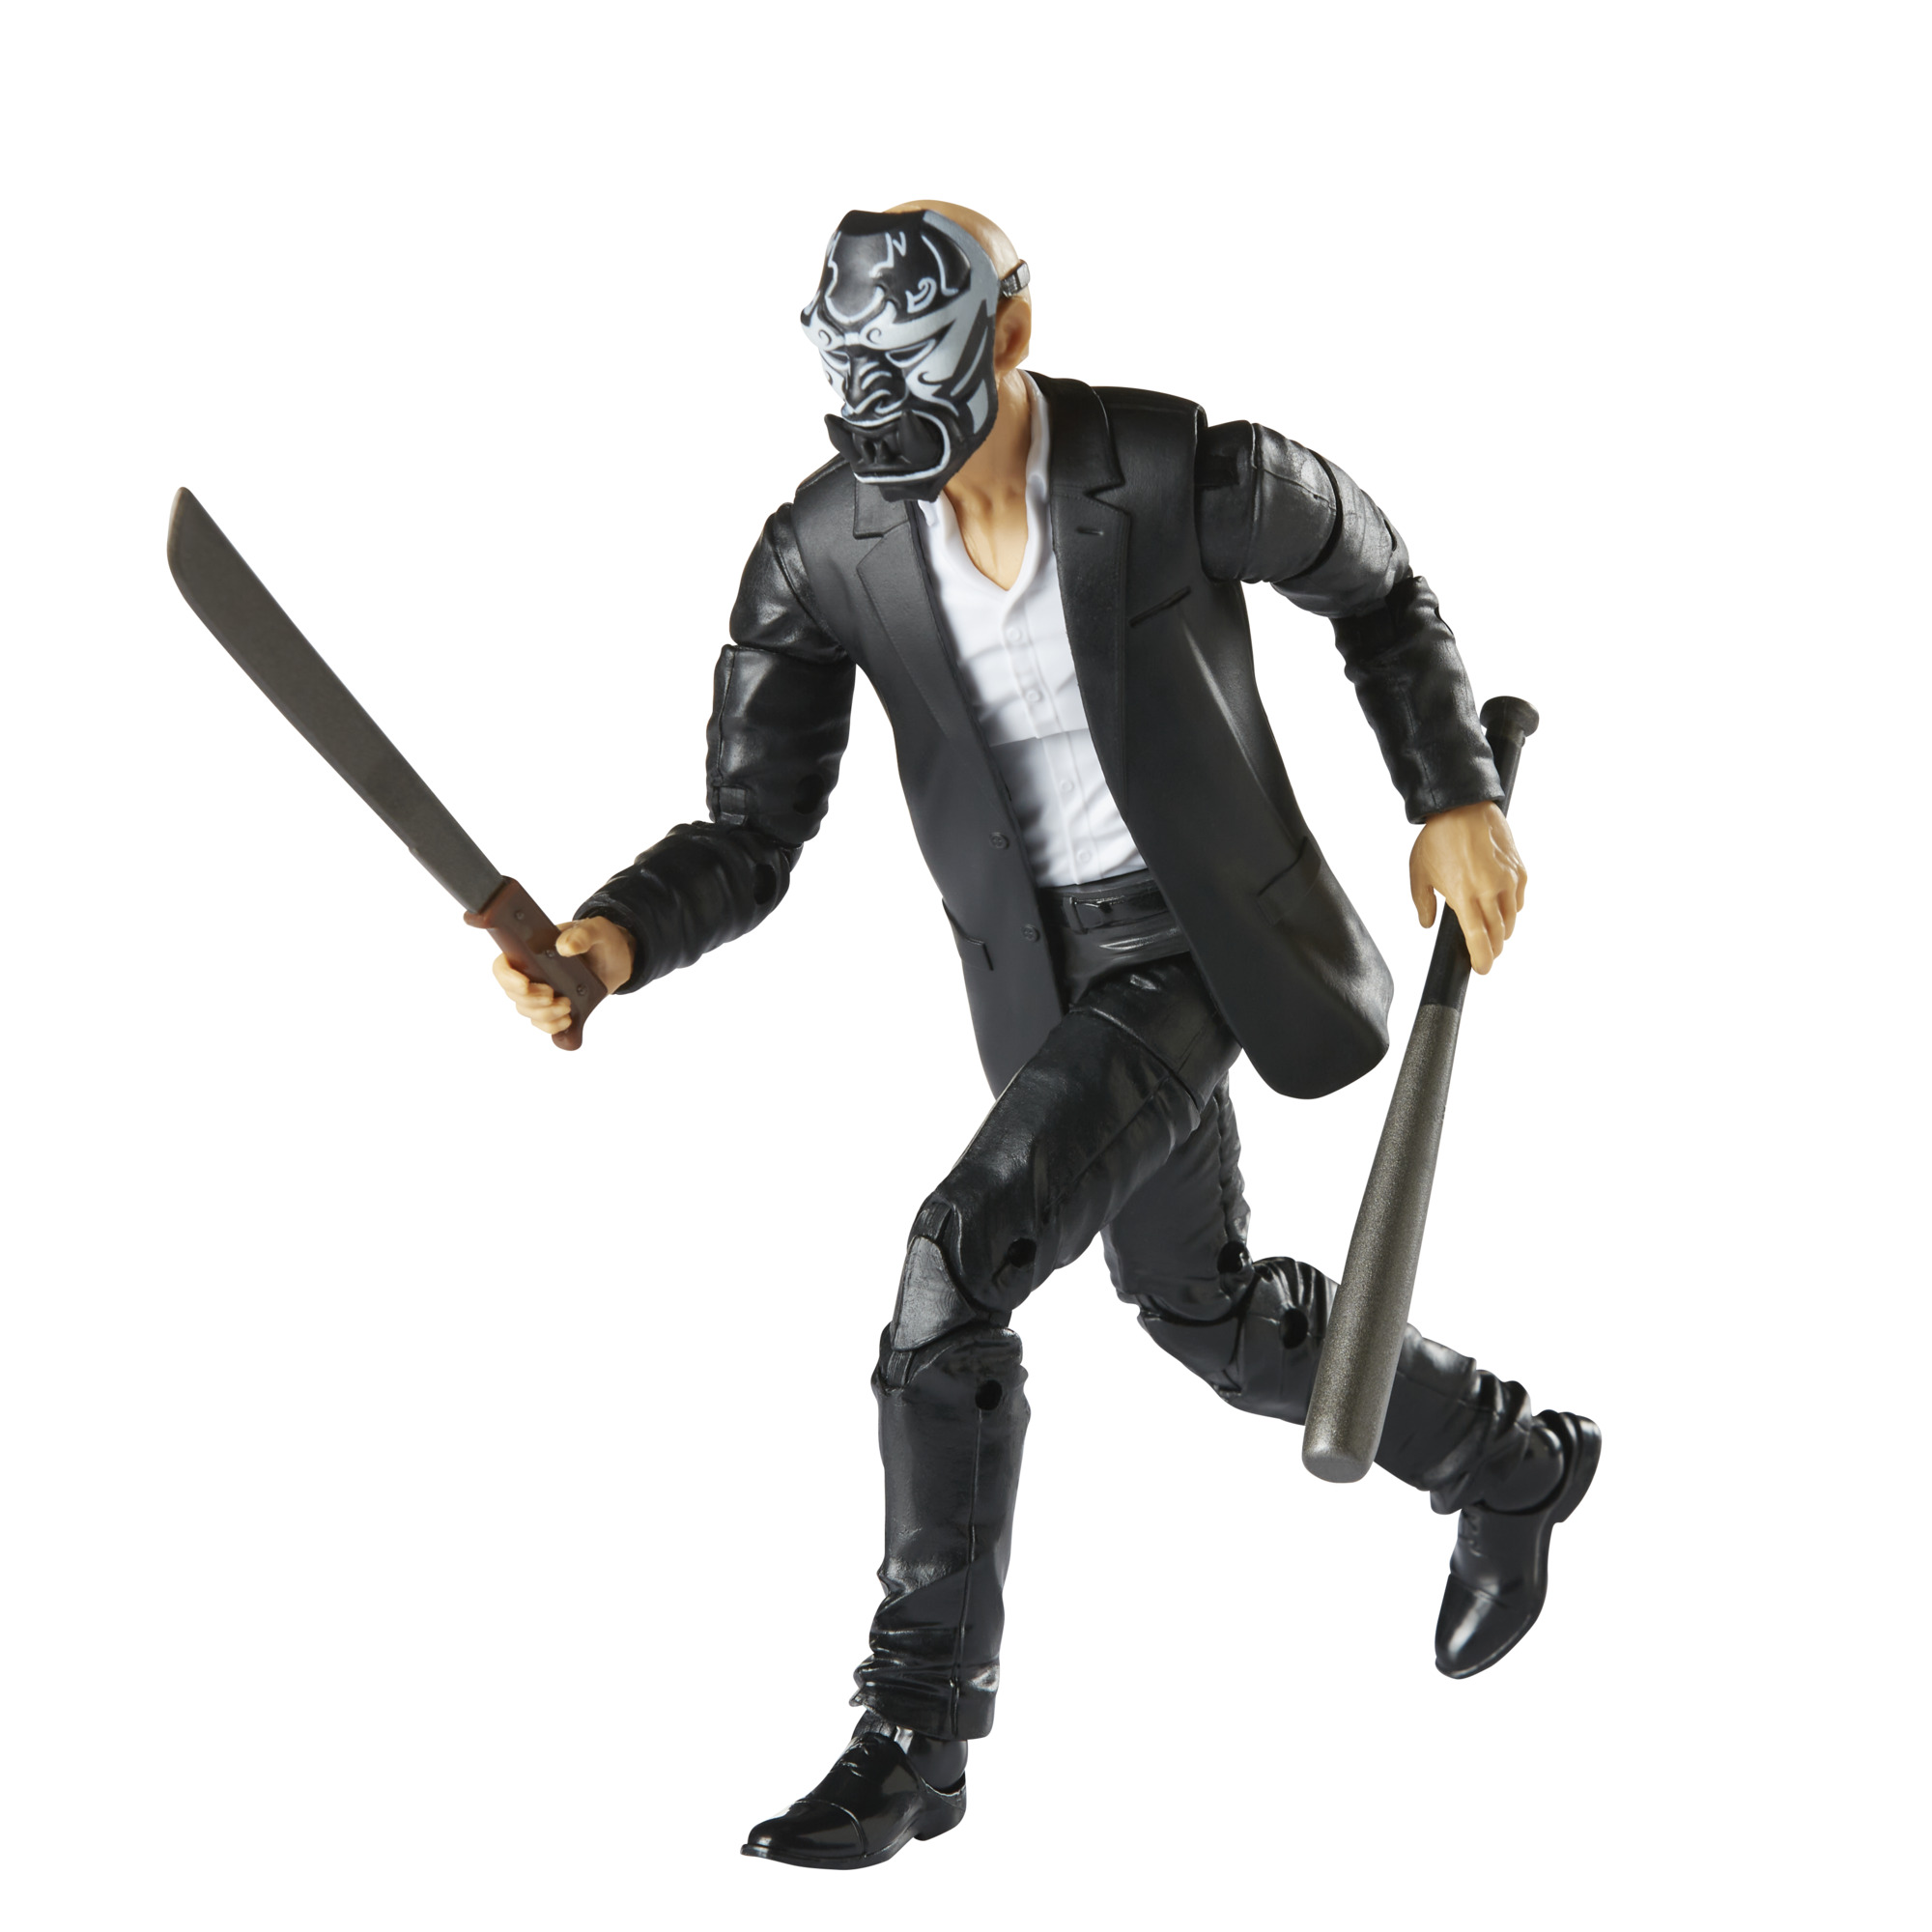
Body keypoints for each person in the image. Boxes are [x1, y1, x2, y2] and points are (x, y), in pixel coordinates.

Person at [495, 202, 1598, 1871]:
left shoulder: (1179, 470)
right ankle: (1511, 1460)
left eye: (920, 380)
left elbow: (1382, 587)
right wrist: (613, 940)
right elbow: (751, 826)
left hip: (1205, 938)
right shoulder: (823, 549)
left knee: (953, 1271)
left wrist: (1452, 791)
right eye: (860, 392)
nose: (895, 435)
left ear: (1009, 334)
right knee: (1205, 1313)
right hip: (1038, 978)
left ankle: (915, 1730)